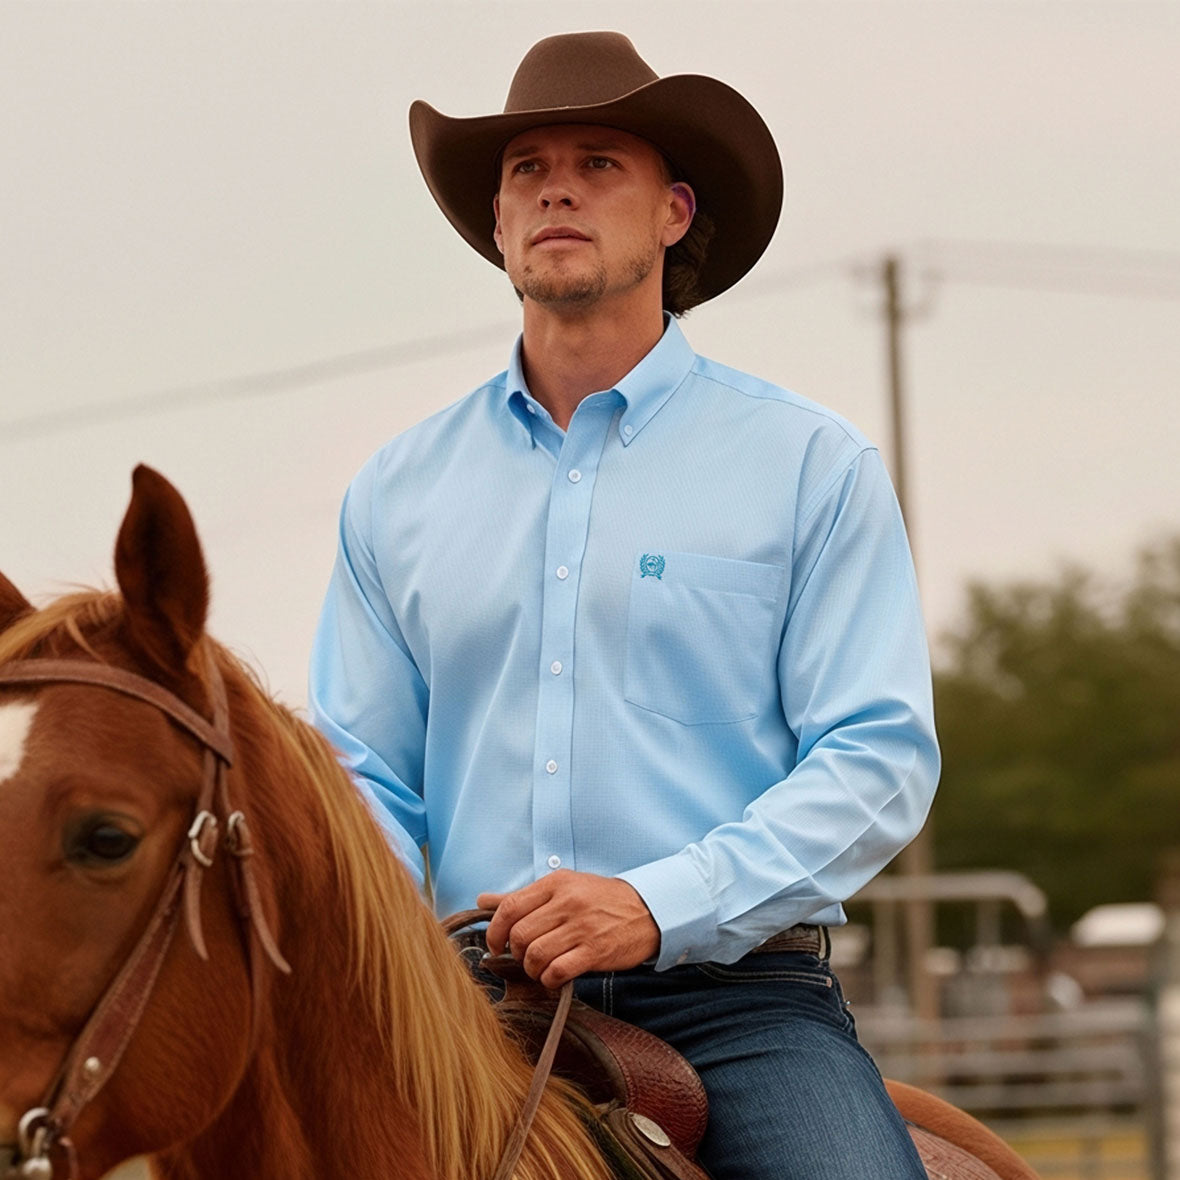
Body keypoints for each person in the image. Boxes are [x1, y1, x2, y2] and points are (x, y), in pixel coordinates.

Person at [310, 30, 938, 1178]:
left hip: (736, 1001)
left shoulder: (807, 465)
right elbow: (360, 773)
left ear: (674, 213)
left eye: (600, 161)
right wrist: (396, 953)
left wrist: (656, 902)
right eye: (526, 167)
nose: (556, 184)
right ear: (498, 225)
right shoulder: (395, 493)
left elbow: (875, 757)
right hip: (458, 997)